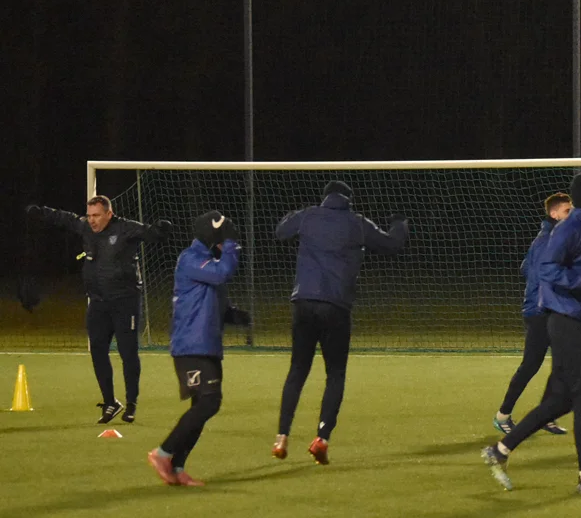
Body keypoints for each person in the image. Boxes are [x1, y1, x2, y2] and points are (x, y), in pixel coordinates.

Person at [482, 172, 581, 494]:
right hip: (567, 321)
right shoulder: (572, 227)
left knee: (560, 401)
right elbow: (548, 269)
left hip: (573, 319)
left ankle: (500, 451)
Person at [272, 181, 409, 464]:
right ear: (348, 199)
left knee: (297, 370)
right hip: (335, 306)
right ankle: (321, 438)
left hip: (303, 302)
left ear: (325, 198)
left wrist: (297, 214)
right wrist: (399, 223)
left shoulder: (309, 215)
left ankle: (281, 437)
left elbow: (281, 231)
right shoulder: (357, 223)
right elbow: (392, 244)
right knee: (335, 374)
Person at [25, 196, 171, 424]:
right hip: (98, 303)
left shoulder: (126, 228)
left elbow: (151, 234)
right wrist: (40, 211)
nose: (91, 220)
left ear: (108, 214)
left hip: (125, 302)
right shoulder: (86, 227)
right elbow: (64, 218)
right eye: (89, 215)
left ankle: (131, 404)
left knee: (128, 353)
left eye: (96, 215)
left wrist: (161, 229)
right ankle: (110, 402)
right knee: (98, 351)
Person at [146, 211, 241, 486]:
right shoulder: (190, 259)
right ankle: (162, 453)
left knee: (204, 404)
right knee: (209, 402)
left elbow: (211, 297)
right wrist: (230, 244)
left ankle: (177, 468)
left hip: (206, 345)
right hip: (191, 345)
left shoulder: (207, 261)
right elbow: (222, 274)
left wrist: (232, 315)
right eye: (222, 236)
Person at [492, 193, 572, 437]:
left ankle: (547, 414)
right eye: (567, 211)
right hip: (540, 312)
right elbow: (540, 274)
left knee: (562, 364)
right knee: (531, 365)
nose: (572, 215)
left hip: (550, 310)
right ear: (554, 214)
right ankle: (502, 415)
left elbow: (525, 268)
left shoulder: (551, 238)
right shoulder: (548, 241)